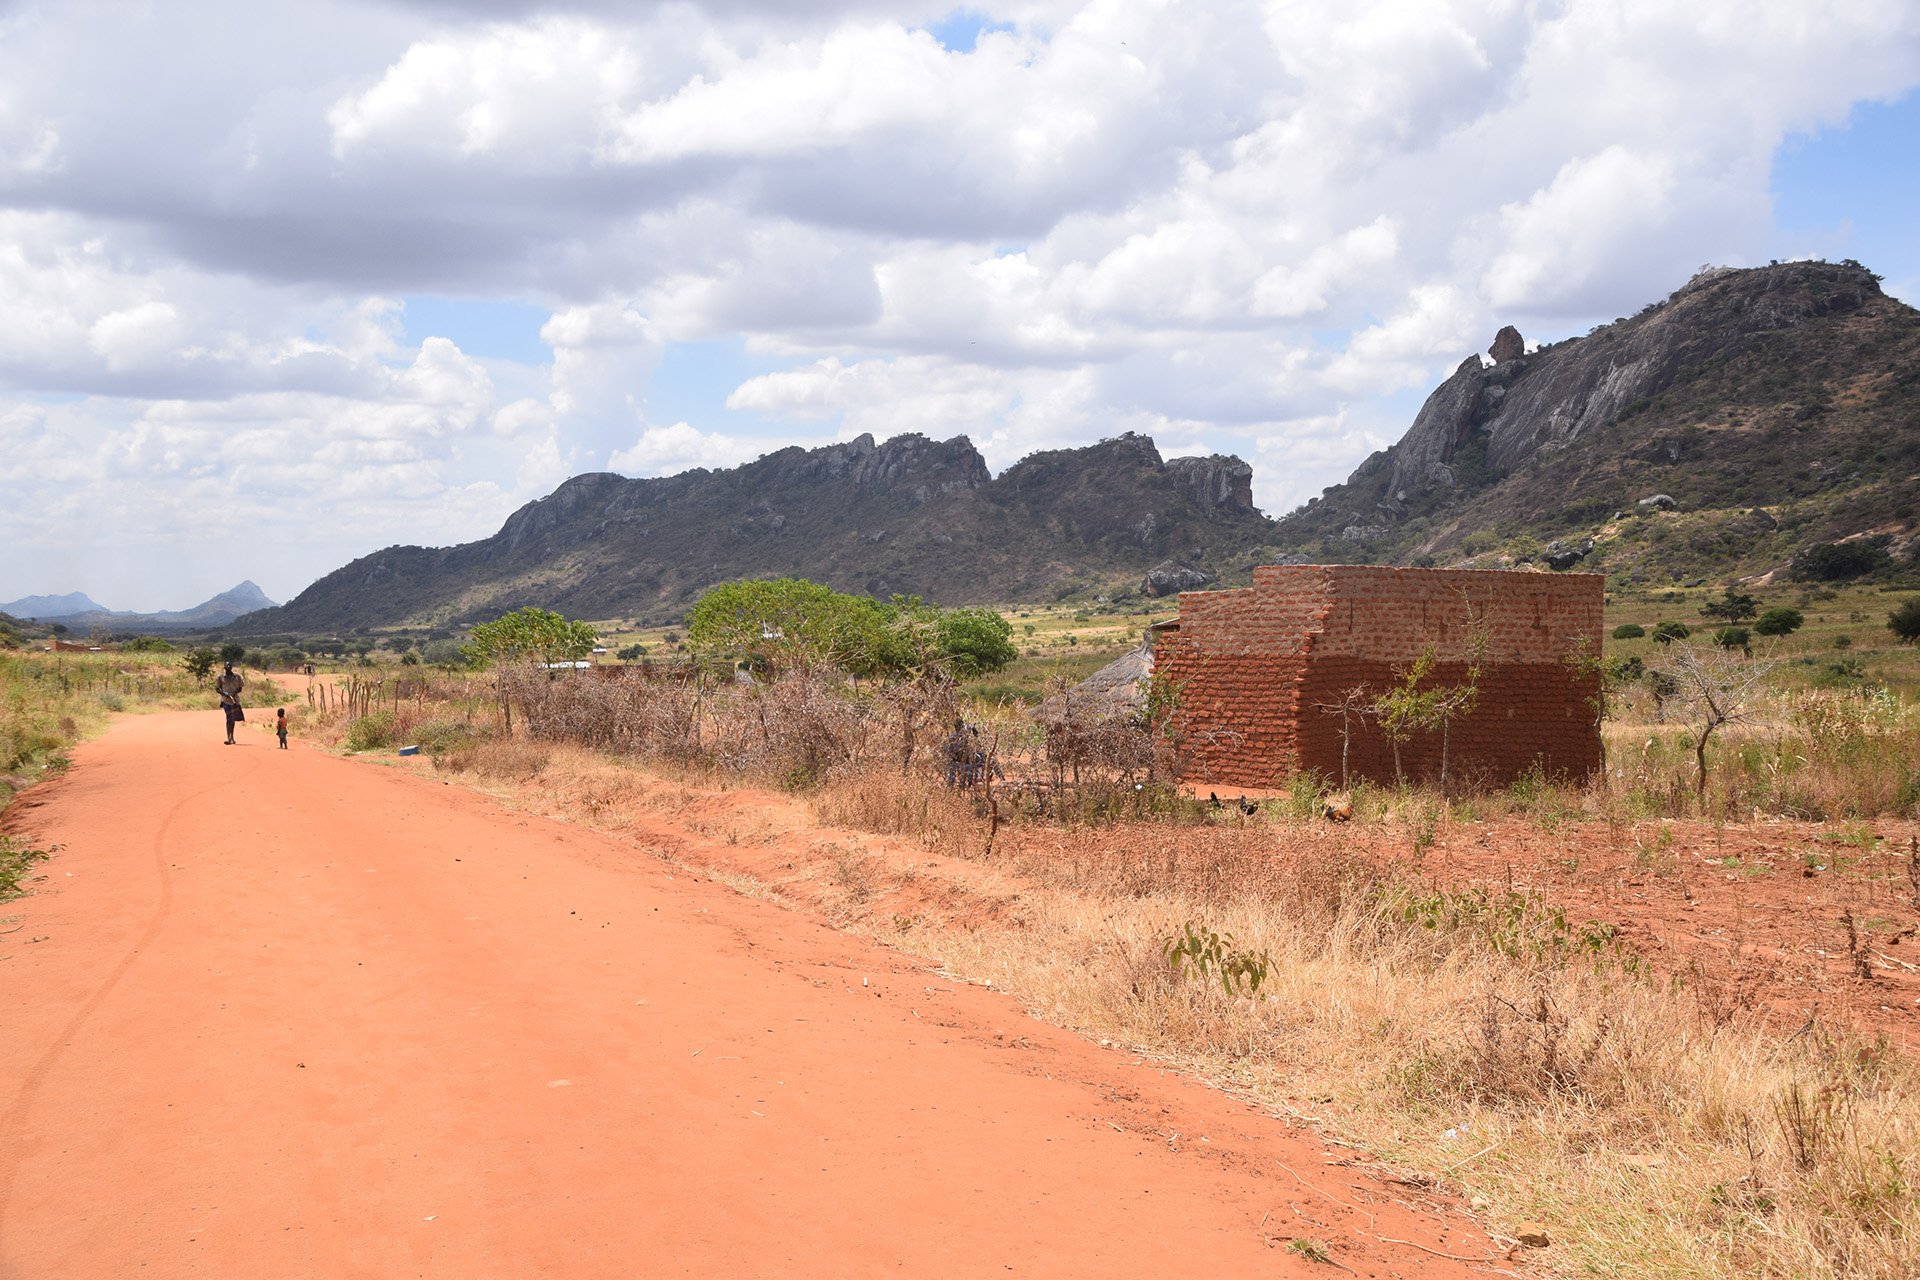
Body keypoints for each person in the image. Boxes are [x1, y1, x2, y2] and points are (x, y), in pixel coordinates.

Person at [214, 661, 245, 745]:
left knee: (232, 719)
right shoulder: (220, 678)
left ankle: (232, 737)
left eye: (229, 666)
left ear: (231, 667)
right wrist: (225, 694)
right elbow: (217, 689)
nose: (228, 668)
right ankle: (229, 738)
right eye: (226, 666)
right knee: (229, 718)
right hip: (226, 701)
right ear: (224, 667)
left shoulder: (237, 677)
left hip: (235, 700)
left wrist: (234, 693)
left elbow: (240, 688)